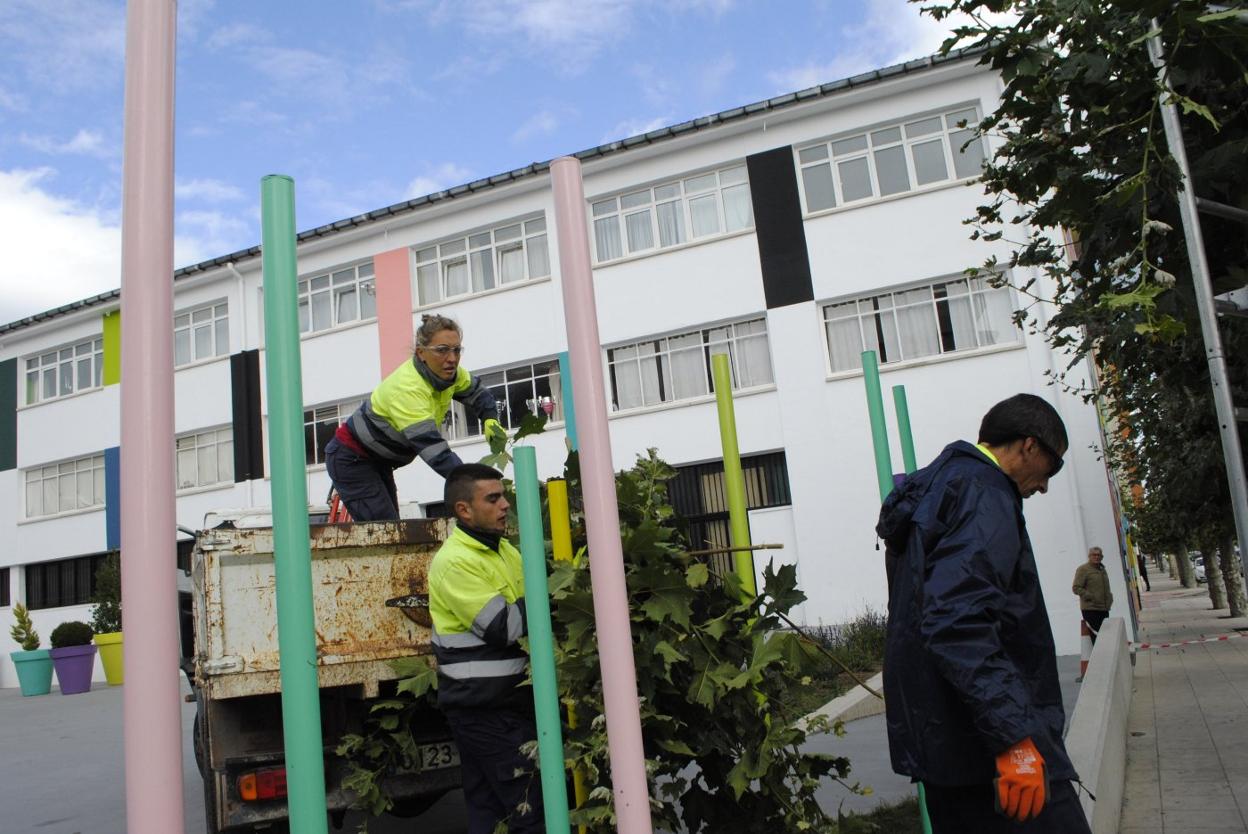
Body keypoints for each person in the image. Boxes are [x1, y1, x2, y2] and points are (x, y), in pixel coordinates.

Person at [876, 393, 1091, 833]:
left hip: (946, 745)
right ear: (1029, 446)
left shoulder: (934, 489)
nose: (1046, 484)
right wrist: (1014, 740)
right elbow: (958, 624)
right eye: (1054, 466)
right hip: (989, 751)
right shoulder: (983, 493)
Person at [428, 464, 543, 833]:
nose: (505, 504)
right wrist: (556, 596)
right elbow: (505, 627)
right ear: (464, 510)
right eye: (493, 498)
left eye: (504, 495)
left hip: (504, 707)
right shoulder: (455, 562)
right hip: (487, 713)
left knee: (491, 813)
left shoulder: (504, 551)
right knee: (530, 813)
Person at [325, 314, 506, 521]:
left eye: (457, 350)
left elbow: (479, 393)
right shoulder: (408, 388)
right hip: (351, 458)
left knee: (391, 528)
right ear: (421, 353)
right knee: (387, 529)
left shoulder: (452, 374)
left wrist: (490, 419)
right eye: (442, 350)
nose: (452, 358)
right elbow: (435, 452)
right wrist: (473, 484)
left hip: (378, 460)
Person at [1072, 546, 1114, 643]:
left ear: (1102, 557)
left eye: (1099, 555)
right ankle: (1099, 657)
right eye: (1094, 555)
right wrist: (1089, 596)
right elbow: (1076, 588)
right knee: (1096, 638)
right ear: (1089, 556)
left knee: (1104, 637)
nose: (1096, 557)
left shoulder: (1102, 570)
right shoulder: (1083, 569)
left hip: (1104, 609)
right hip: (1091, 609)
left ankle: (1105, 656)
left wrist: (1110, 598)